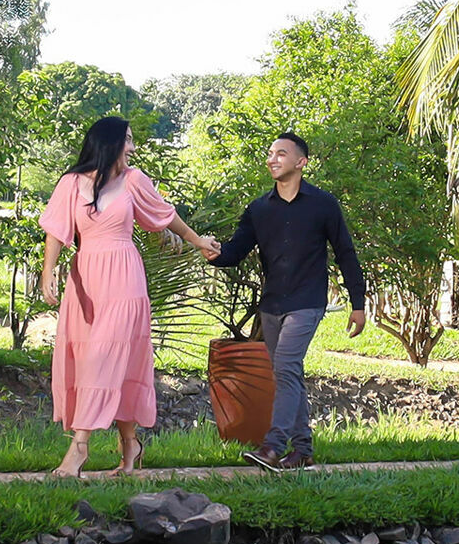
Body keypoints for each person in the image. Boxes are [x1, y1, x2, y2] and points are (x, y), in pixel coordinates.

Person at [40, 116, 220, 477]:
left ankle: (78, 450)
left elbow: (166, 216)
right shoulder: (71, 184)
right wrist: (49, 271)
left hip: (124, 278)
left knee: (105, 357)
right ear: (108, 143)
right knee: (96, 359)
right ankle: (130, 446)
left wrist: (198, 240)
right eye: (128, 140)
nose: (134, 147)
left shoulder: (135, 180)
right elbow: (57, 232)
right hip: (86, 280)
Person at [206, 132, 366, 471]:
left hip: (307, 302)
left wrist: (358, 303)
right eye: (270, 153)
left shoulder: (324, 204)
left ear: (301, 162)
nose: (272, 159)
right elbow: (235, 252)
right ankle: (303, 450)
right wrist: (209, 252)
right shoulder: (259, 209)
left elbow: (346, 254)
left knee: (287, 368)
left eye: (281, 153)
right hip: (272, 304)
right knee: (287, 374)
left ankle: (273, 446)